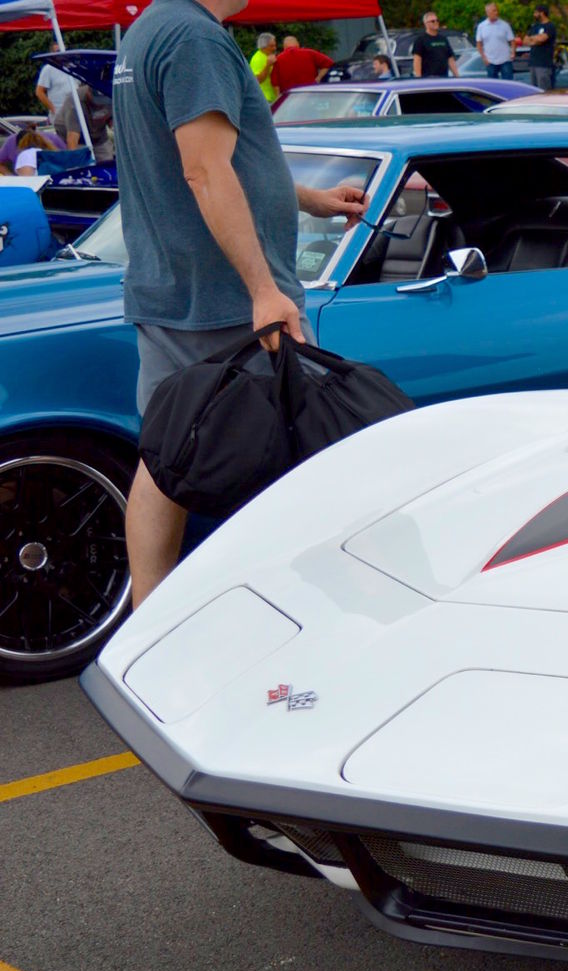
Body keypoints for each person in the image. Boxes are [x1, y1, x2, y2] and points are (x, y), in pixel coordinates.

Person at [114, 0, 366, 606]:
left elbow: (216, 162)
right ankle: (290, 620)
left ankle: (147, 627)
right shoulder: (194, 38)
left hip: (172, 289)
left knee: (166, 456)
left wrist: (311, 200)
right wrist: (263, 290)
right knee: (284, 463)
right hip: (228, 300)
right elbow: (204, 171)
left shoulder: (150, 28)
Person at [35, 60, 82, 147]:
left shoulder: (73, 67)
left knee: (75, 139)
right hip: (58, 113)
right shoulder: (48, 69)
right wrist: (52, 108)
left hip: (75, 112)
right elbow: (39, 92)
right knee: (60, 142)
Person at [269, 35, 333, 96]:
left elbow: (275, 83)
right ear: (298, 44)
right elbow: (329, 62)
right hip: (310, 92)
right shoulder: (309, 53)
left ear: (284, 47)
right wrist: (318, 78)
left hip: (290, 96)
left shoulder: (278, 59)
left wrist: (278, 97)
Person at [475, 2, 516, 79]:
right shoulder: (481, 26)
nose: (496, 13)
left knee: (508, 84)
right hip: (490, 61)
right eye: (494, 11)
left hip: (505, 60)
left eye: (496, 10)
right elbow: (479, 43)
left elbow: (512, 41)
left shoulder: (505, 25)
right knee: (492, 86)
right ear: (488, 12)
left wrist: (513, 52)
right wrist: (484, 58)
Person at [412, 11, 459, 77]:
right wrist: (419, 78)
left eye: (437, 20)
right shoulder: (421, 40)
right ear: (426, 24)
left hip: (444, 77)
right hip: (428, 78)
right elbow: (417, 60)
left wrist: (457, 76)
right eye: (433, 21)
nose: (436, 22)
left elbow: (450, 59)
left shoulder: (443, 39)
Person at [523, 4, 557, 90]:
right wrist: (535, 39)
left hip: (544, 64)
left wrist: (534, 39)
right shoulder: (534, 26)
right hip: (533, 62)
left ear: (541, 13)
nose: (534, 14)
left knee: (543, 89)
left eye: (536, 12)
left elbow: (542, 39)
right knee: (533, 90)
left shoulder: (550, 26)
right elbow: (525, 41)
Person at [248, 31, 278, 103]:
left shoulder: (267, 56)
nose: (274, 48)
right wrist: (267, 65)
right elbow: (257, 80)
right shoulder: (257, 59)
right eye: (271, 46)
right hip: (263, 98)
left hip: (271, 97)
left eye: (275, 45)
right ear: (263, 47)